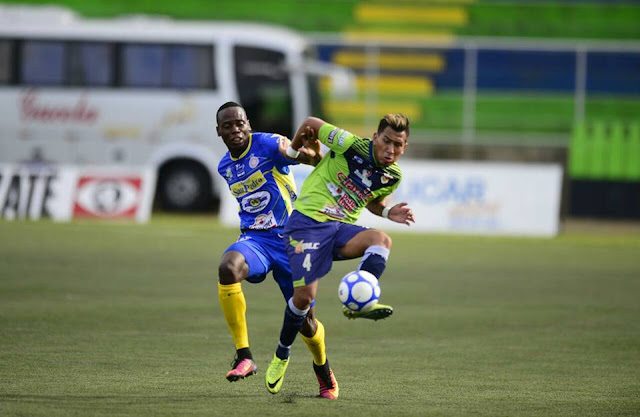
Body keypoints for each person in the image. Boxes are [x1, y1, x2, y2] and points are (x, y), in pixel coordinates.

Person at [265, 114, 415, 399]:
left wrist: (386, 212)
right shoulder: (350, 144)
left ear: (404, 148)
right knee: (304, 299)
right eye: (386, 141)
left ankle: (361, 299)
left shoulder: (393, 176)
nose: (391, 149)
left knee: (381, 240)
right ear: (375, 137)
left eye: (398, 145)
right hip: (307, 224)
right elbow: (311, 123)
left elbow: (372, 201)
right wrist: (294, 152)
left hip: (339, 229)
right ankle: (282, 354)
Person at [215, 102, 334, 397]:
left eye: (240, 123)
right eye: (228, 126)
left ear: (248, 124)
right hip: (256, 240)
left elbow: (300, 157)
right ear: (219, 132)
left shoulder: (268, 143)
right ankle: (244, 356)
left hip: (292, 241)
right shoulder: (224, 166)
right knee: (228, 267)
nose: (235, 129)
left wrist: (309, 152)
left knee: (306, 324)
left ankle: (323, 369)